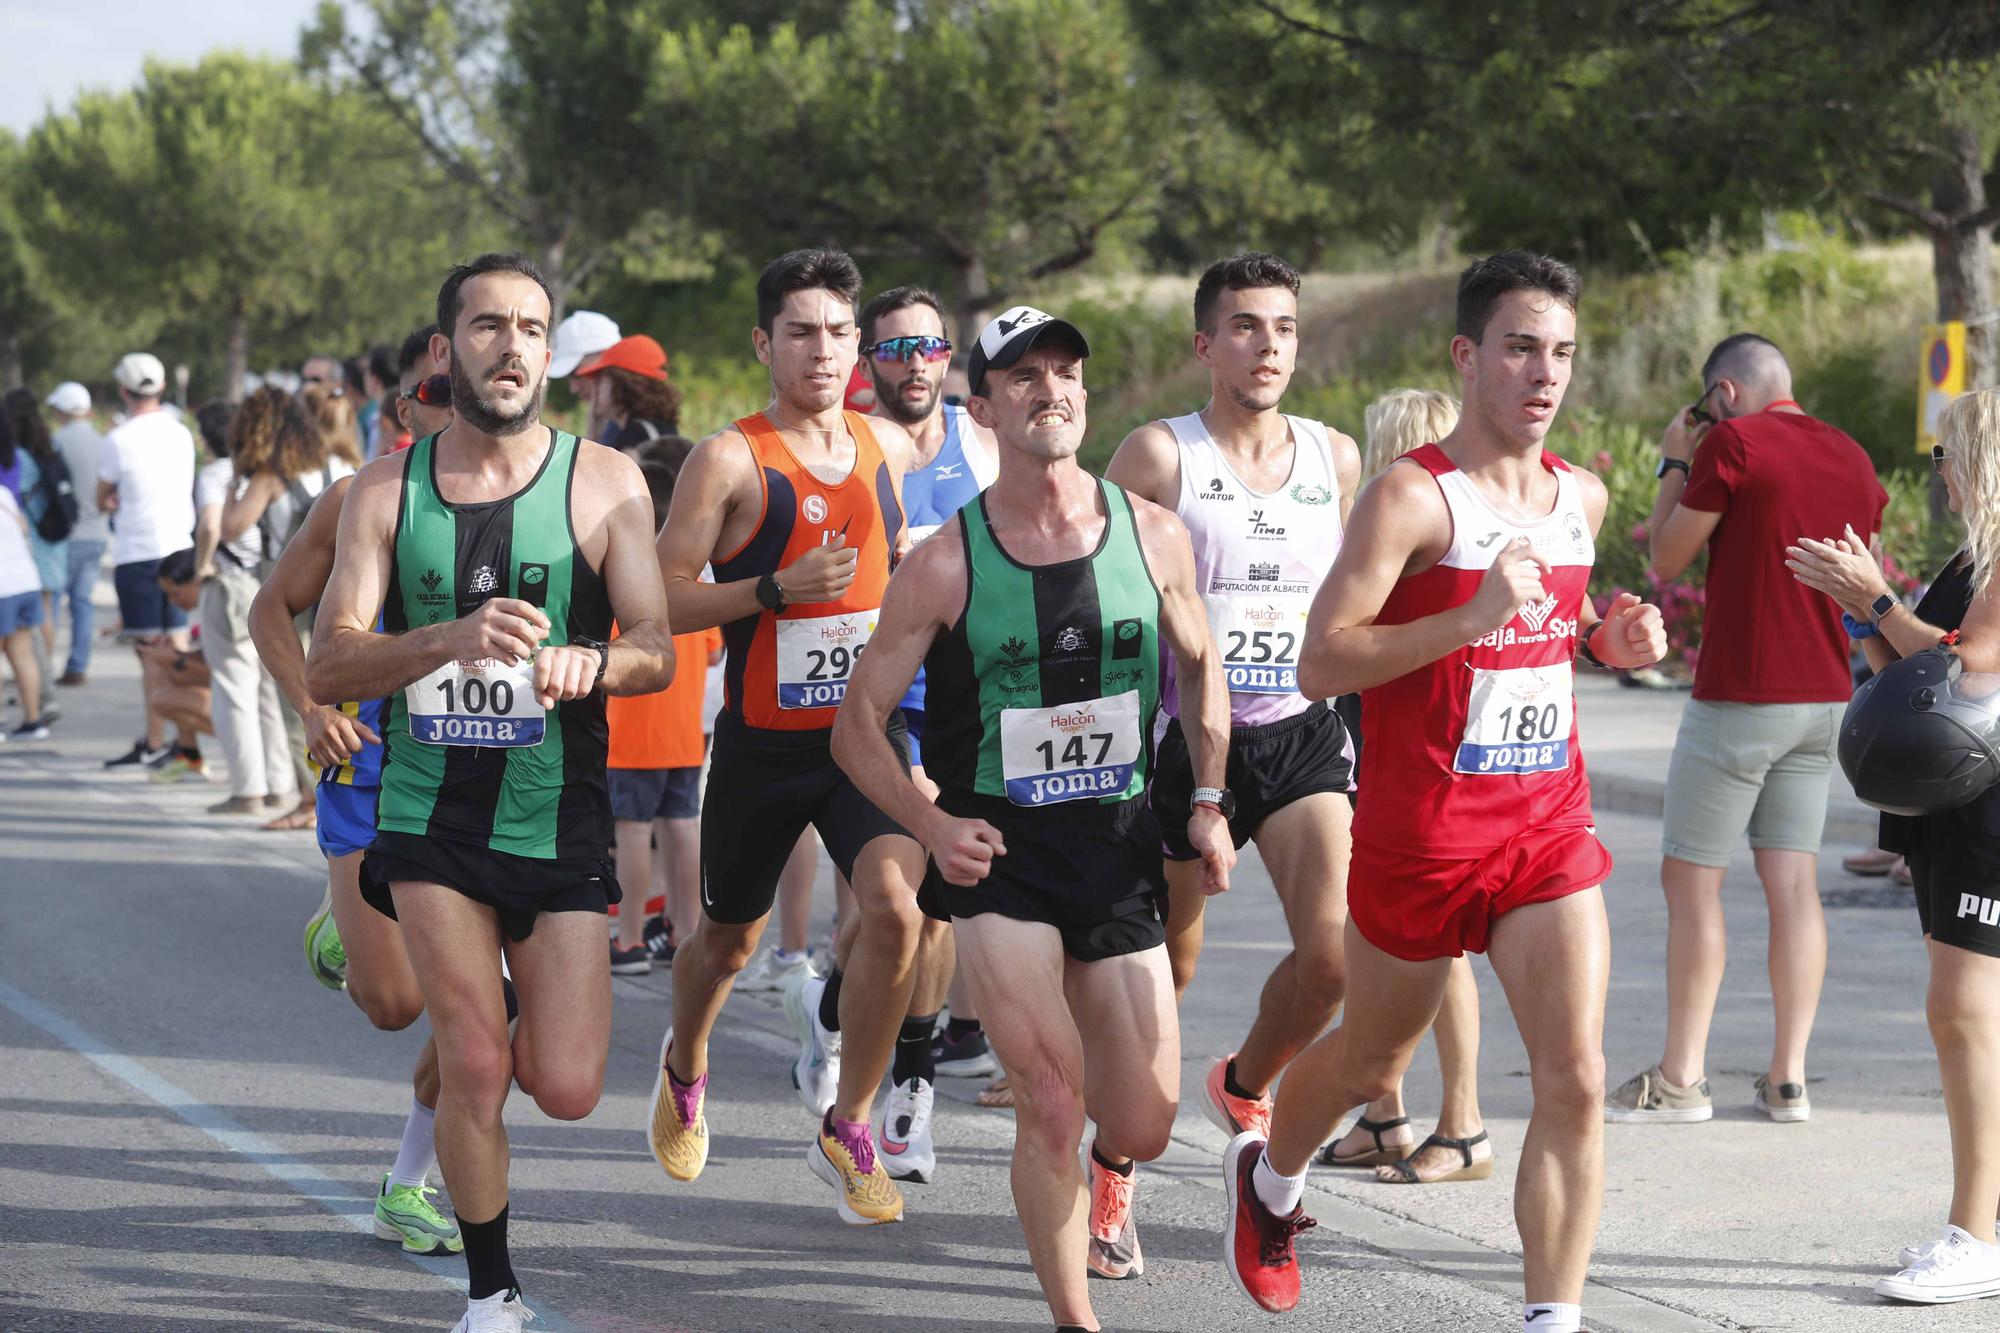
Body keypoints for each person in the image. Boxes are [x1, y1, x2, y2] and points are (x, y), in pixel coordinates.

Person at [1218, 253, 1667, 1332]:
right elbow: (1320, 662)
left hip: (1544, 829)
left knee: (1574, 1072)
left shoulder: (1580, 496)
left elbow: (1546, 636)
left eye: (1559, 352)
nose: (1542, 373)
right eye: (1518, 347)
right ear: (1467, 356)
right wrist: (1462, 617)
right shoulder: (1412, 496)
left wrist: (1606, 641)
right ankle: (1268, 1178)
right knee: (1372, 1056)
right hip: (1419, 836)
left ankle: (1548, 1318)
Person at [833, 303, 1233, 1331]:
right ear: (983, 407)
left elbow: (1201, 663)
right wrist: (928, 828)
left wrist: (1205, 799)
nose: (1047, 388)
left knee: (1138, 1120)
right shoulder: (942, 560)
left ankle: (1113, 1176)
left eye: (1063, 372)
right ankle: (1072, 1318)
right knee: (1050, 1101)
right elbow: (856, 727)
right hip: (995, 856)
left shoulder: (1150, 534)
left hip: (1116, 846)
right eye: (1019, 377)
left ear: (1084, 396)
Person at [306, 251, 673, 1333]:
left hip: (556, 811)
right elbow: (328, 660)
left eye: (529, 328)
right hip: (426, 812)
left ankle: (496, 980)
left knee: (562, 1083)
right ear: (444, 347)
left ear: (550, 354)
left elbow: (653, 643)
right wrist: (449, 638)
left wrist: (594, 663)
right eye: (486, 326)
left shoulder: (604, 482)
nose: (510, 346)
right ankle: (491, 1294)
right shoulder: (384, 491)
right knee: (471, 1056)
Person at [646, 247, 925, 1226]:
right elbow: (659, 601)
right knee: (728, 941)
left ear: (860, 343)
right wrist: (768, 591)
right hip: (764, 746)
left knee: (895, 911)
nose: (822, 349)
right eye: (801, 331)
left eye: (839, 332)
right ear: (764, 342)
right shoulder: (730, 456)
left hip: (863, 739)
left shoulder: (888, 444)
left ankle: (846, 1122)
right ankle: (685, 1065)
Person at [1105, 254, 1364, 1224]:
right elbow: (1103, 598)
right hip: (1180, 742)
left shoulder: (1331, 457)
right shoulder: (1158, 457)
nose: (1266, 347)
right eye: (1246, 327)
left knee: (1332, 958)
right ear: (1204, 344)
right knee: (1162, 968)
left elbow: (1353, 592)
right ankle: (1113, 1163)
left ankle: (1245, 1079)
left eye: (1284, 328)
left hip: (1297, 732)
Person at [1610, 333, 1889, 1127]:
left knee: (1691, 881)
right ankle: (1788, 1079)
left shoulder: (1732, 442)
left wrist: (1674, 459)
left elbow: (1666, 557)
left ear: (1725, 395)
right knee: (1793, 883)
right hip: (1824, 697)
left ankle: (1680, 1078)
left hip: (1739, 696)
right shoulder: (1853, 456)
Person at [1787, 391, 2000, 1303]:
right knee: (1969, 1015)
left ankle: (1973, 1233)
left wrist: (1872, 593)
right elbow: (1917, 680)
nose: (1942, 472)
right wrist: (1860, 612)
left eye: (1951, 454)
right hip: (1952, 813)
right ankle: (1982, 1221)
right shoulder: (1969, 557)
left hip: (1990, 820)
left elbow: (1972, 670)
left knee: (1963, 1012)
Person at [250, 462, 466, 1259]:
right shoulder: (359, 496)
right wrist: (310, 708)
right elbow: (268, 607)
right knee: (394, 1004)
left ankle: (407, 1184)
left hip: (486, 778)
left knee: (489, 1007)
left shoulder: (550, 487)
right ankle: (343, 921)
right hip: (368, 761)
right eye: (430, 392)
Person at [1317, 386, 1493, 1185]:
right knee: (1377, 929)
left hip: (1424, 754)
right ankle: (1385, 1111)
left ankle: (1462, 1123)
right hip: (1392, 741)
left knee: (1436, 939)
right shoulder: (1441, 521)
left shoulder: (1414, 521)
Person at [857, 283, 1002, 1175]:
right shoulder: (846, 445)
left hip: (958, 699)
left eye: (929, 347)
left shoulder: (981, 439)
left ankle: (909, 1086)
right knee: (888, 907)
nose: (914, 364)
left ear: (948, 356)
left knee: (928, 900)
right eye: (896, 349)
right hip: (870, 699)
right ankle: (844, 1016)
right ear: (869, 360)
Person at [222, 385, 359, 829]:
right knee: (342, 704)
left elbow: (233, 526)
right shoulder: (339, 467)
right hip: (343, 597)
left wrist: (229, 490)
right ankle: (335, 789)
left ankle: (309, 795)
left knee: (298, 704)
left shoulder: (271, 474)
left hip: (292, 601)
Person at [606, 456, 722, 974]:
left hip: (634, 728)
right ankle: (685, 931)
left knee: (632, 829)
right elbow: (714, 649)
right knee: (683, 825)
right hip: (683, 728)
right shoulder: (687, 576)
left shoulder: (624, 577)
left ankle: (629, 936)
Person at [192, 399, 298, 816]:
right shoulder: (259, 472)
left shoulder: (215, 474)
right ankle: (280, 783)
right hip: (262, 581)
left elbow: (211, 525)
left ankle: (246, 789)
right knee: (269, 688)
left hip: (228, 585)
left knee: (233, 687)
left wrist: (202, 564)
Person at [97, 353, 197, 766]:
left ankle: (155, 740)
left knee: (148, 650)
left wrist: (114, 499)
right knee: (176, 645)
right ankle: (184, 741)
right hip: (178, 544)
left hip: (137, 551)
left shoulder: (118, 438)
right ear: (159, 388)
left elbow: (101, 496)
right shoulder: (181, 433)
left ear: (123, 390)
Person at [46, 381, 109, 685]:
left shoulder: (57, 440)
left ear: (61, 409)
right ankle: (78, 665)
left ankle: (41, 667)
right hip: (97, 533)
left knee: (52, 602)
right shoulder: (104, 441)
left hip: (67, 536)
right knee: (82, 603)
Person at [7, 388, 70, 680]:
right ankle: (43, 674)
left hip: (27, 538)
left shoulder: (13, 454)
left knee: (24, 621)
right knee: (47, 608)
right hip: (53, 534)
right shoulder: (50, 444)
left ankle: (32, 677)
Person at [135, 550, 214, 758]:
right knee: (165, 681)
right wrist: (173, 656)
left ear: (195, 582)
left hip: (255, 705)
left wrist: (176, 659)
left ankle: (252, 750)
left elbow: (226, 673)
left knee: (163, 699)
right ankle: (189, 755)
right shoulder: (202, 608)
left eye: (175, 593)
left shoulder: (216, 608)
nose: (171, 602)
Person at [571, 335, 683, 455]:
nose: (595, 388)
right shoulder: (662, 429)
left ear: (621, 383)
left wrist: (592, 436)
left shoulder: (635, 436)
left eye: (599, 380)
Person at [0, 480, 51, 741]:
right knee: (22, 655)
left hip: (2, 587)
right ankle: (33, 720)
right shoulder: (5, 493)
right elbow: (23, 528)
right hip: (25, 582)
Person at [548, 310, 622, 441]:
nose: (573, 389)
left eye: (577, 373)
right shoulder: (618, 427)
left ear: (605, 356)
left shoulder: (639, 431)